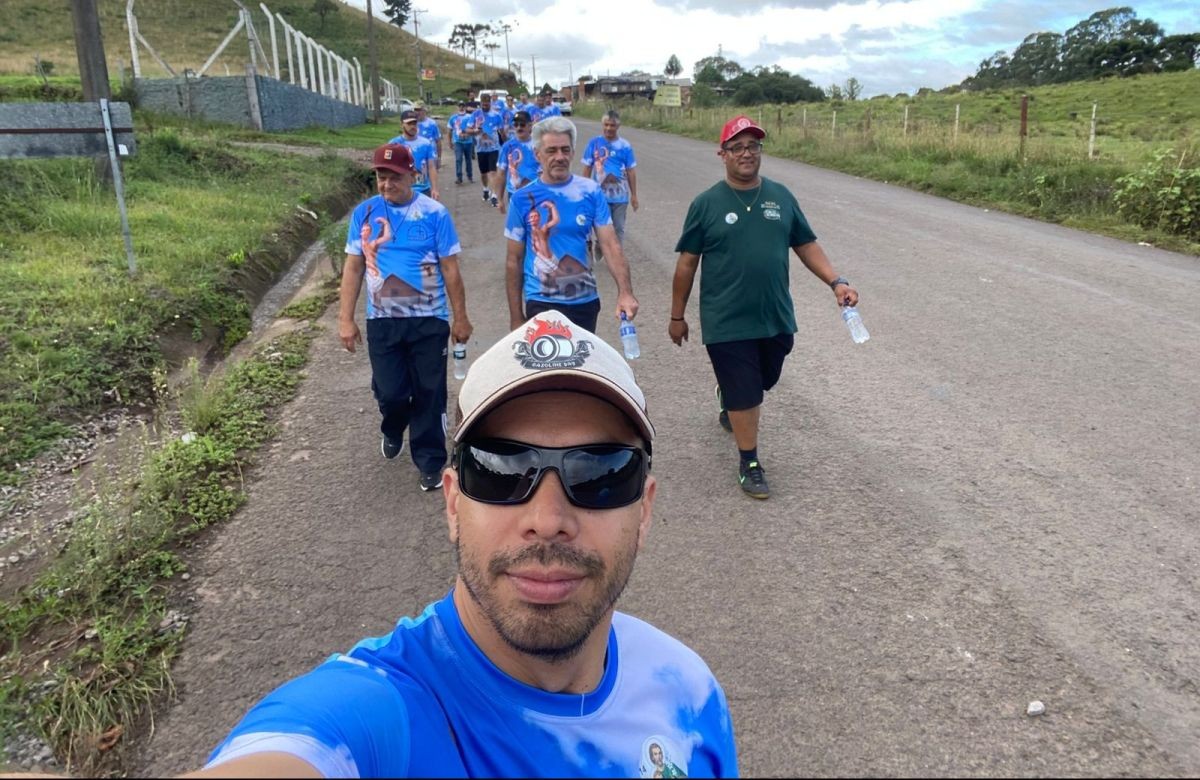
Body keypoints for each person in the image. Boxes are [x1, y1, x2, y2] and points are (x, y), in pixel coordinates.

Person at [196, 311, 739, 777]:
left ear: (643, 509)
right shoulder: (379, 716)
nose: (548, 520)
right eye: (501, 471)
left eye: (600, 474)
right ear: (454, 503)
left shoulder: (689, 694)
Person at [669, 114, 859, 500]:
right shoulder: (706, 204)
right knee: (747, 394)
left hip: (774, 315)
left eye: (753, 146)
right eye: (737, 147)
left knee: (763, 379)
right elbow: (687, 263)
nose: (746, 153)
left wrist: (836, 282)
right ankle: (749, 461)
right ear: (722, 154)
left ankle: (731, 395)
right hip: (725, 318)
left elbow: (805, 245)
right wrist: (677, 316)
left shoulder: (781, 196)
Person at [338, 143, 472, 490]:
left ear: (412, 174)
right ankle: (392, 424)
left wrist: (460, 318)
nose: (386, 184)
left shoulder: (435, 214)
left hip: (430, 318)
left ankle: (430, 460)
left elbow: (450, 269)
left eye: (393, 177)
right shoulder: (364, 214)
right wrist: (345, 318)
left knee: (429, 390)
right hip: (382, 320)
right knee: (393, 393)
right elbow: (353, 268)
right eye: (381, 177)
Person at [504, 117, 638, 333]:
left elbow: (611, 245)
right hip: (541, 301)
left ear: (573, 153)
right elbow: (514, 260)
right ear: (538, 155)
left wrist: (625, 292)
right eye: (552, 151)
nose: (560, 157)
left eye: (565, 150)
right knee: (552, 364)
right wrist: (516, 316)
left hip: (584, 301)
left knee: (580, 366)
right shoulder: (521, 198)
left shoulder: (591, 191)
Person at [582, 109, 639, 247]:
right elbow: (587, 168)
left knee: (618, 228)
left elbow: (631, 171)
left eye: (612, 125)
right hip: (600, 195)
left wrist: (634, 195)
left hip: (621, 196)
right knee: (603, 227)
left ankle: (616, 256)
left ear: (618, 127)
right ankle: (602, 247)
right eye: (606, 125)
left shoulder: (625, 146)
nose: (608, 128)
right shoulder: (594, 143)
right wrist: (585, 191)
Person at [388, 110, 439, 201]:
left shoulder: (426, 143)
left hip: (424, 190)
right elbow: (388, 168)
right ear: (402, 125)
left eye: (414, 123)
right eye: (409, 123)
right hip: (403, 190)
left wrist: (434, 189)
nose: (412, 126)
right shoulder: (394, 144)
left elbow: (431, 167)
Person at [496, 110, 540, 214]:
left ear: (530, 126)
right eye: (516, 125)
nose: (519, 128)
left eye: (522, 124)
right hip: (515, 194)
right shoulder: (508, 146)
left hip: (536, 192)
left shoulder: (539, 145)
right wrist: (500, 199)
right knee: (517, 227)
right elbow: (501, 174)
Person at [466, 93, 506, 207]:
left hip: (494, 148)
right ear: (480, 103)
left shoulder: (496, 115)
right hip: (480, 149)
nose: (485, 106)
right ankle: (485, 189)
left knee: (493, 172)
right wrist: (474, 131)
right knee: (484, 173)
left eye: (487, 104)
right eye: (483, 104)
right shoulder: (475, 114)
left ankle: (494, 196)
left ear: (490, 103)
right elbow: (467, 130)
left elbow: (502, 131)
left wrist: (506, 143)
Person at [449, 101, 476, 185]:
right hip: (458, 142)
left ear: (465, 107)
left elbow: (474, 128)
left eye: (463, 106)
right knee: (458, 159)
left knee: (468, 160)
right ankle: (459, 177)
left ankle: (470, 176)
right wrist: (449, 142)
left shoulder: (469, 117)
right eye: (460, 106)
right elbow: (449, 130)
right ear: (457, 107)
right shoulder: (453, 118)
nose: (461, 107)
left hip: (468, 142)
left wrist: (471, 136)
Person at [414, 103, 443, 171]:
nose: (417, 112)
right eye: (415, 110)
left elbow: (438, 141)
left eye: (419, 110)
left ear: (424, 111)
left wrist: (439, 158)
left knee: (432, 179)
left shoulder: (432, 123)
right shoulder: (412, 124)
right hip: (417, 157)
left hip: (430, 156)